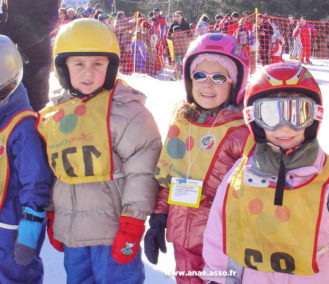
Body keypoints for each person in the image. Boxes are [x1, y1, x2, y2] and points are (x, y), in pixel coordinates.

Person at [201, 62, 329, 284]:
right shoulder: (240, 176)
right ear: (254, 120)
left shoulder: (328, 176)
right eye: (271, 115)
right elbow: (222, 231)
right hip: (256, 276)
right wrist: (219, 276)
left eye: (297, 114)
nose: (285, 128)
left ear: (314, 117)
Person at [37, 19, 162, 283]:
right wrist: (52, 212)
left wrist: (133, 222)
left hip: (113, 233)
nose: (88, 73)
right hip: (74, 235)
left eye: (98, 63)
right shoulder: (56, 115)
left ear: (111, 66)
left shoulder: (127, 112)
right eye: (78, 64)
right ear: (63, 67)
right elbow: (52, 170)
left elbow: (142, 172)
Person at [144, 33, 251, 284]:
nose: (207, 84)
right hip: (182, 236)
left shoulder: (241, 132)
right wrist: (159, 218)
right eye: (200, 75)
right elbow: (169, 175)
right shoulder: (182, 121)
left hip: (221, 243)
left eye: (219, 77)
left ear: (235, 83)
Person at [0, 35, 53, 284]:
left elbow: (36, 182)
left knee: (17, 277)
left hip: (13, 231)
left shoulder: (23, 127)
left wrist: (29, 232)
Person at [0, 0, 58, 111]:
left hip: (32, 57)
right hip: (6, 53)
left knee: (33, 106)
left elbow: (48, 17)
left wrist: (14, 39)